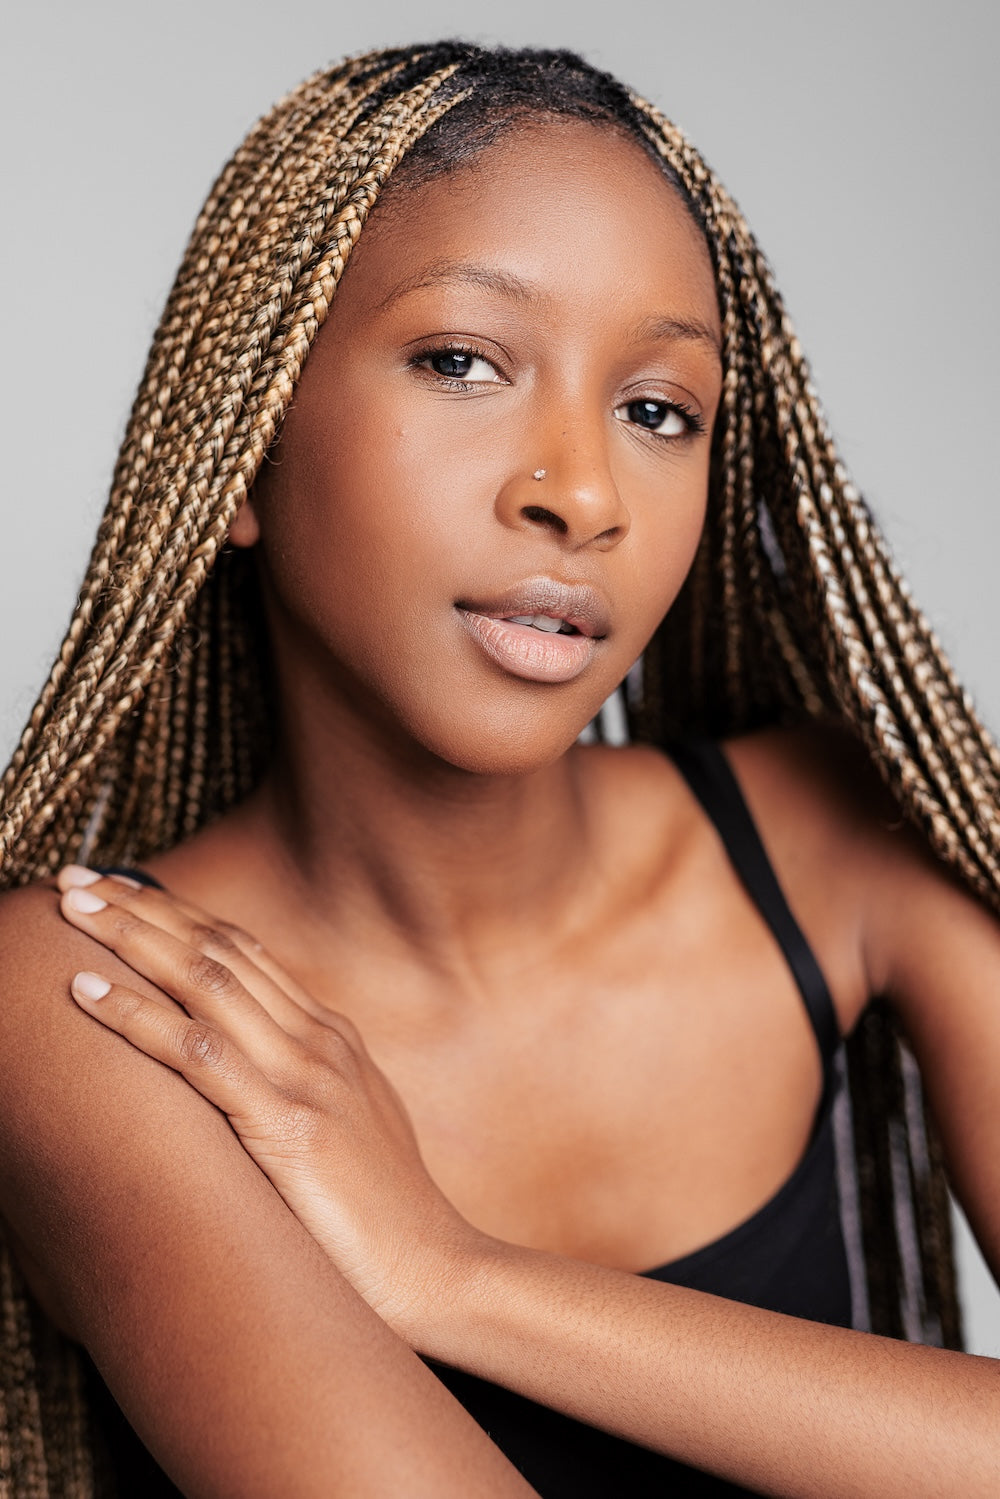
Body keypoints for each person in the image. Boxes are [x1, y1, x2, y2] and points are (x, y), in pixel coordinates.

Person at [0, 40, 997, 1498]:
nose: (581, 494)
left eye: (658, 410)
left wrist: (457, 1278)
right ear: (241, 448)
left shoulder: (833, 848)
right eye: (461, 361)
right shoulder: (99, 1000)